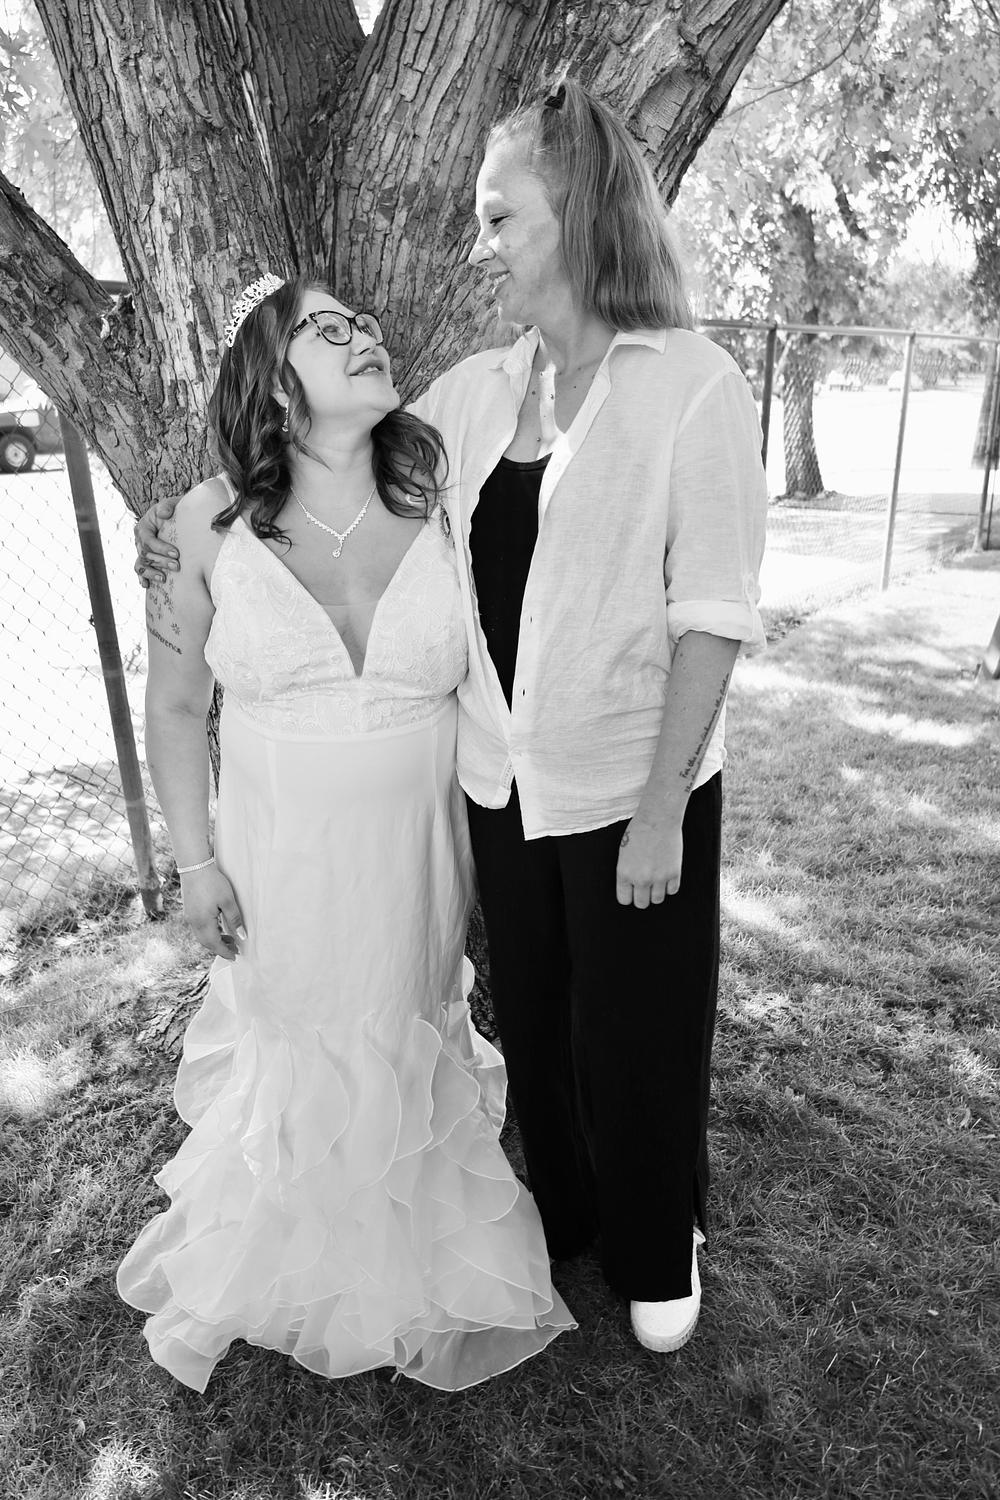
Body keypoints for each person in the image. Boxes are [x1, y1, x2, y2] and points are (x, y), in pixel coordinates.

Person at [137, 79, 767, 1356]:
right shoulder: (475, 397)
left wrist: (662, 806)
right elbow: (300, 475)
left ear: (575, 216)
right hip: (481, 792)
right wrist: (186, 517)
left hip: (614, 784)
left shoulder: (685, 386)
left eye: (499, 218)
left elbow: (711, 612)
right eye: (482, 222)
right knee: (535, 1024)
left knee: (637, 1029)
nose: (480, 249)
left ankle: (659, 1249)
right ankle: (568, 1216)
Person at [117, 274, 574, 1393]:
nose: (364, 334)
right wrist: (194, 863)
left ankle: (410, 1234)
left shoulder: (445, 495)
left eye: (363, 323)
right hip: (283, 857)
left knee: (407, 1016)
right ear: (275, 386)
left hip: (417, 854)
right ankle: (299, 1248)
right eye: (328, 331)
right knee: (304, 1038)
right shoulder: (201, 526)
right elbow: (174, 709)